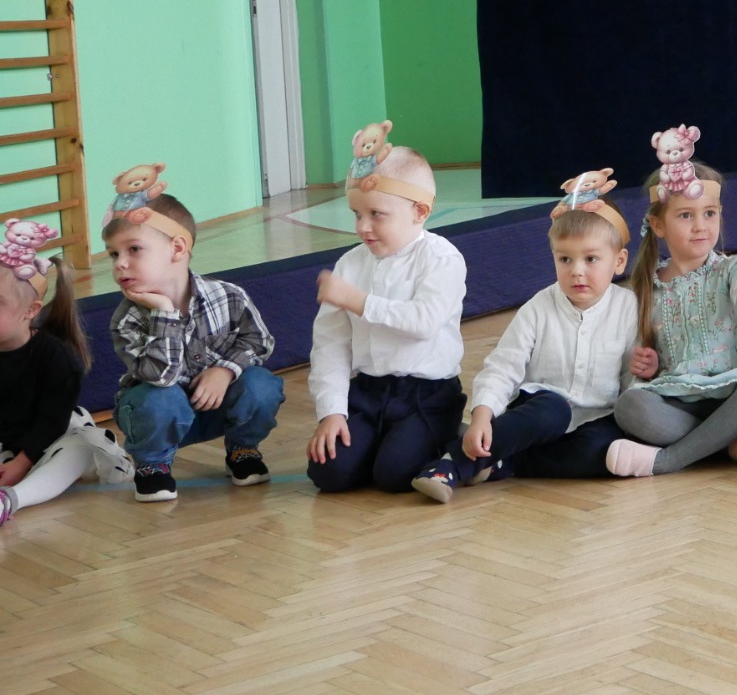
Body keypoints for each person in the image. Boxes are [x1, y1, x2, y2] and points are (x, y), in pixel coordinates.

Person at [412, 180, 639, 500]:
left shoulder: (629, 308)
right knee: (554, 410)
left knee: (607, 451)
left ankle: (504, 462)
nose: (576, 271)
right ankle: (453, 463)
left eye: (591, 259)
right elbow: (503, 368)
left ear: (619, 261)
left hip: (594, 419)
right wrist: (482, 415)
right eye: (565, 259)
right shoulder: (538, 308)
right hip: (538, 413)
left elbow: (631, 376)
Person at [610, 145, 737, 477]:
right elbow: (638, 354)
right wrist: (643, 365)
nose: (700, 226)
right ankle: (723, 442)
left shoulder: (731, 267)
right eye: (685, 216)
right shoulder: (647, 286)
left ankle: (670, 459)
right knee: (629, 406)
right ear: (658, 225)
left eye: (709, 214)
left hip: (733, 393)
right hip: (677, 398)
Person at [306, 138, 467, 493]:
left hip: (426, 394)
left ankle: (450, 440)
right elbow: (330, 345)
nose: (363, 227)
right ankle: (384, 442)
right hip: (368, 392)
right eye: (357, 214)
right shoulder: (349, 264)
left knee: (394, 475)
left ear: (419, 212)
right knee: (328, 473)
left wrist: (358, 301)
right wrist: (332, 411)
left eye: (376, 214)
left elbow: (423, 322)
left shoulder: (442, 259)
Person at [106, 178, 282, 502]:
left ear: (177, 248)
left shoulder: (228, 295)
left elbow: (260, 341)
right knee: (157, 398)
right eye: (113, 254)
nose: (120, 263)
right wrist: (163, 313)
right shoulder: (127, 318)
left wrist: (225, 371)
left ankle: (242, 450)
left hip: (218, 404)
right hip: (161, 414)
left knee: (261, 385)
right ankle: (153, 466)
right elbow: (160, 378)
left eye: (133, 249)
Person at [0, 219, 131, 524]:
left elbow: (51, 421)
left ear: (31, 311)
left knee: (82, 445)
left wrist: (23, 462)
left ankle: (11, 500)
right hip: (5, 445)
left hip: (48, 442)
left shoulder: (57, 358)